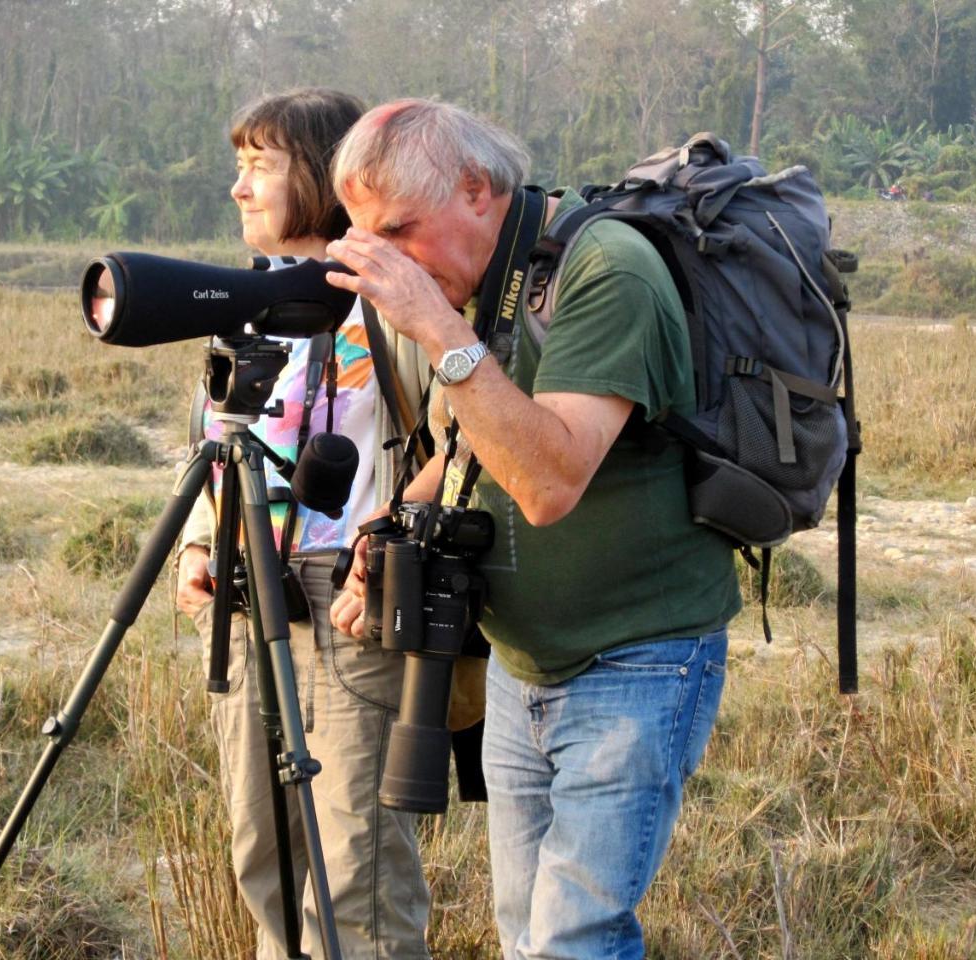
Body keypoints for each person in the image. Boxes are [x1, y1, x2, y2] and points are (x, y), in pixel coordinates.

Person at [325, 99, 741, 960]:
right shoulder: (486, 277)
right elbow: (472, 430)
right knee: (525, 933)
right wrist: (393, 521)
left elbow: (550, 480)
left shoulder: (605, 272)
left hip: (637, 656)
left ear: (477, 188)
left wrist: (436, 328)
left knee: (574, 939)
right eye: (370, 238)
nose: (390, 261)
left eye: (400, 229)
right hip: (524, 664)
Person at [174, 88, 432, 960]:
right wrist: (199, 543)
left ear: (320, 173)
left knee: (352, 864)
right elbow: (214, 445)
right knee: (264, 852)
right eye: (237, 168)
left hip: (350, 599)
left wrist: (391, 536)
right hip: (249, 594)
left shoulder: (391, 296)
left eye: (259, 167)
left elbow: (462, 437)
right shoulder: (242, 301)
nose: (239, 190)